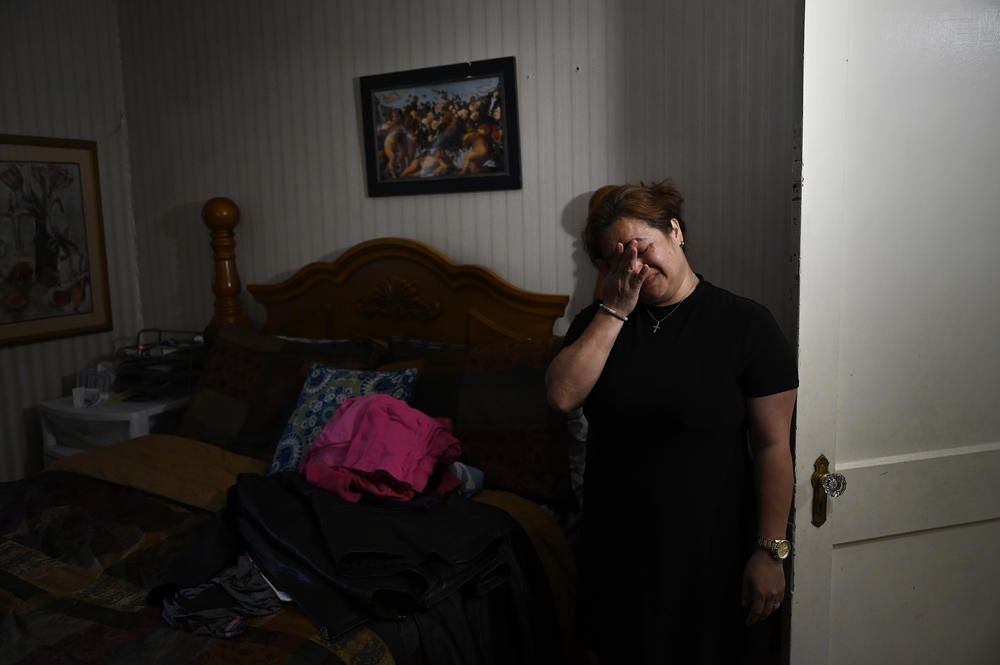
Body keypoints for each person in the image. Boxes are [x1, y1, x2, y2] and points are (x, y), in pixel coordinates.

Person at [545, 180, 798, 664]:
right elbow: (560, 397)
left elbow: (772, 446)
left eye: (642, 248)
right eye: (617, 259)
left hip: (711, 551)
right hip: (617, 551)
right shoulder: (596, 323)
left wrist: (770, 551)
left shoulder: (746, 325)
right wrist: (616, 308)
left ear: (676, 232)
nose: (636, 267)